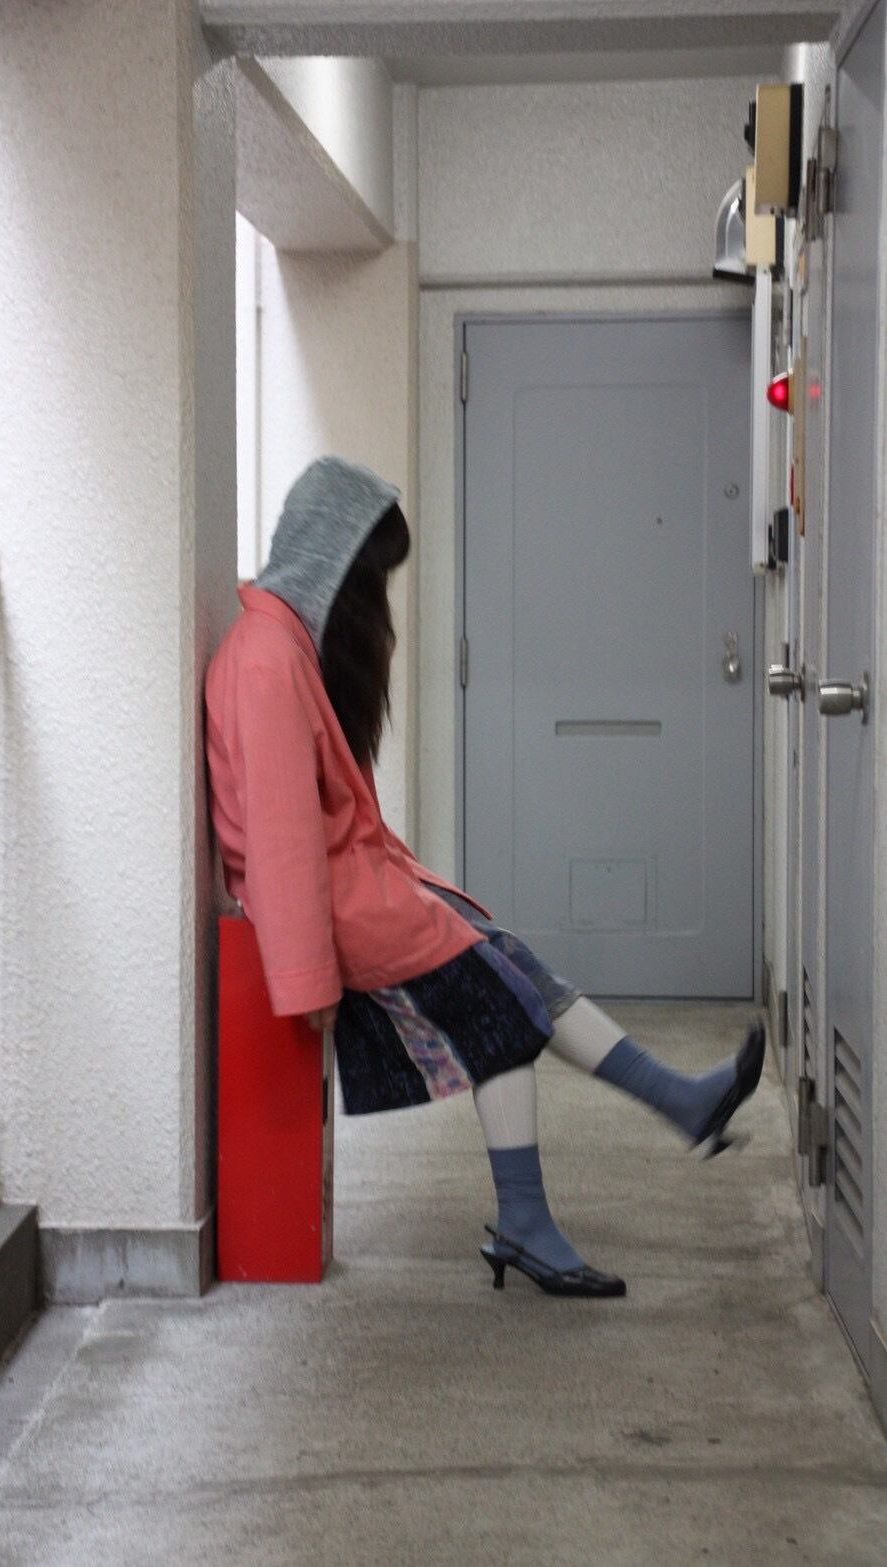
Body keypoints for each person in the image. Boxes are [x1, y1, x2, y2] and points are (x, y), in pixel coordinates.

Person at [204, 455, 765, 1300]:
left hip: (359, 889)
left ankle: (681, 1102)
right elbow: (281, 842)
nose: (377, 596)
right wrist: (305, 977)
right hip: (338, 908)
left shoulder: (283, 645)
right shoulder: (265, 661)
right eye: (371, 575)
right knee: (499, 1007)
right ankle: (527, 1220)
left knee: (517, 971)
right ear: (332, 559)